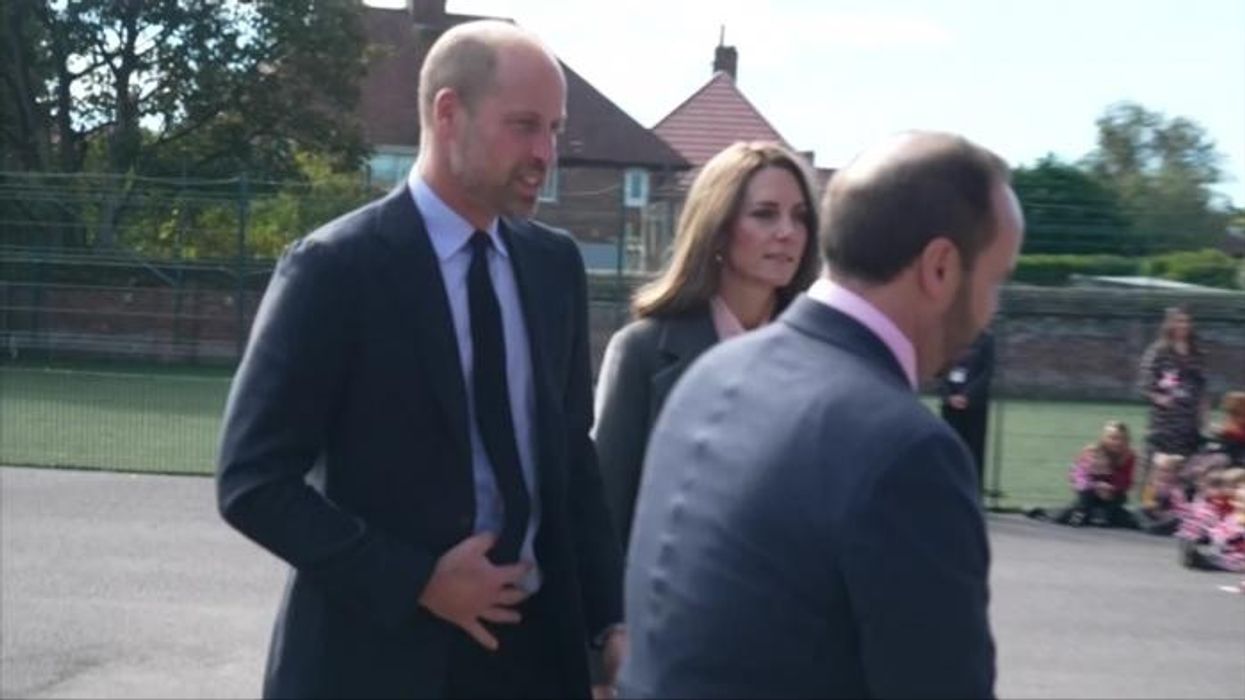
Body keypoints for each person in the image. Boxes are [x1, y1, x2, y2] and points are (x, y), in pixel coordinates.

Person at [215, 21, 624, 698]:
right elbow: (252, 481)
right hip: (375, 660)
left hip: (532, 660)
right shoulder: (334, 270)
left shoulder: (553, 268)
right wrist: (419, 582)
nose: (544, 152)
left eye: (553, 129)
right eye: (523, 125)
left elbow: (571, 463)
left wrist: (610, 623)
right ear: (446, 112)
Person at [620, 131, 1023, 698]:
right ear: (939, 267)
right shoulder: (909, 452)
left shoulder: (711, 374)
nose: (991, 311)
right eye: (995, 280)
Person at [592, 141, 820, 551]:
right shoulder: (642, 353)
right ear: (717, 229)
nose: (787, 232)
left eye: (799, 217)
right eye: (765, 214)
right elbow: (606, 510)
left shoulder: (819, 359)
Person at [1137, 306, 1208, 473]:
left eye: (1186, 321)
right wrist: (1159, 398)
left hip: (1189, 425)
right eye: (1178, 321)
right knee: (1156, 471)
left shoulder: (1197, 353)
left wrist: (1204, 419)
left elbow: (1202, 390)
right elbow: (1145, 385)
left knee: (1186, 471)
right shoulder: (1158, 352)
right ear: (1169, 324)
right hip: (1164, 425)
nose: (1183, 325)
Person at [938, 328, 996, 494]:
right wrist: (949, 395)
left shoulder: (986, 339)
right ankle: (949, 491)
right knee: (950, 449)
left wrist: (967, 396)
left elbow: (987, 371)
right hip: (950, 406)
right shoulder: (948, 336)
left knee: (973, 450)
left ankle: (973, 494)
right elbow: (941, 368)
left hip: (974, 406)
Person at [1052, 420, 1139, 529]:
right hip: (1090, 489)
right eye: (1113, 438)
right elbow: (1079, 476)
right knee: (1068, 512)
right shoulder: (1092, 452)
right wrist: (1095, 486)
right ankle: (1080, 513)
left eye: (1121, 439)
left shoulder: (1129, 456)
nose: (1117, 442)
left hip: (1112, 492)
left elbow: (1127, 480)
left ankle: (1105, 516)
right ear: (1104, 438)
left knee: (1123, 508)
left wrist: (1112, 488)